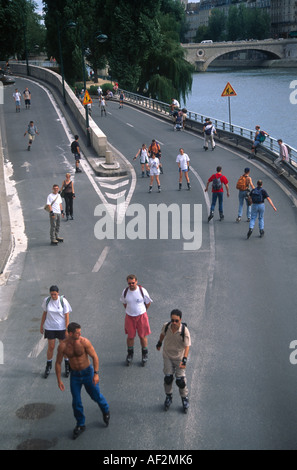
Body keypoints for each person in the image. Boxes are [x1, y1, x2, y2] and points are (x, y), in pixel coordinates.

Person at [55, 322, 110, 439]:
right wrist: (59, 380)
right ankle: (80, 424)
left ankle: (105, 410)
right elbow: (58, 363)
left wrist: (96, 374)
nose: (80, 334)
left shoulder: (84, 342)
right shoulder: (63, 346)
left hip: (88, 373)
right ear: (70, 334)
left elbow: (94, 356)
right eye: (77, 333)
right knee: (76, 401)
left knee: (96, 396)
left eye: (80, 332)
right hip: (75, 375)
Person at [156, 309, 191, 413]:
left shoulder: (184, 331)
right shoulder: (167, 326)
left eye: (176, 320)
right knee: (168, 378)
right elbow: (162, 334)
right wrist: (159, 343)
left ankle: (184, 398)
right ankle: (168, 397)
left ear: (180, 319)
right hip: (167, 355)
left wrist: (184, 360)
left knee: (180, 381)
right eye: (172, 320)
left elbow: (187, 346)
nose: (174, 323)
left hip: (179, 357)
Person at [40, 285, 72, 379]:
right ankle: (48, 365)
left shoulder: (63, 301)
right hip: (50, 327)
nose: (53, 296)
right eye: (51, 294)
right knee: (51, 346)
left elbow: (66, 315)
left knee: (63, 347)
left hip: (61, 328)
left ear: (58, 293)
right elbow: (44, 313)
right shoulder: (47, 301)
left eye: (55, 294)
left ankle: (67, 364)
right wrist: (42, 326)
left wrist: (67, 329)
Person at [120, 275, 152, 366]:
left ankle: (144, 354)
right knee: (130, 337)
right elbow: (124, 303)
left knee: (142, 336)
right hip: (129, 317)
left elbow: (148, 302)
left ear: (136, 282)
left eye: (133, 283)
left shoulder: (142, 291)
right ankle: (130, 354)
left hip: (141, 316)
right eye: (129, 283)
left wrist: (143, 311)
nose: (131, 285)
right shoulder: (125, 292)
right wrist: (130, 311)